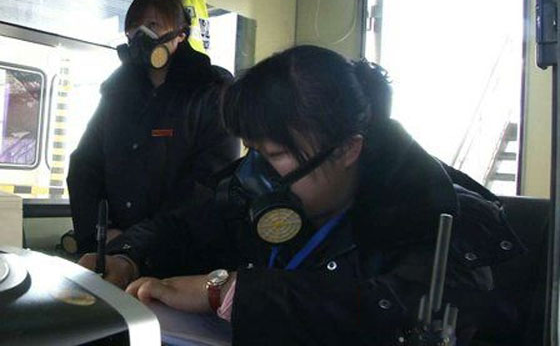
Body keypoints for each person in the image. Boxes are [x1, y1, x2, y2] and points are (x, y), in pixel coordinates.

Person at [81, 46, 523, 345]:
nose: (261, 173)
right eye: (256, 151)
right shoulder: (259, 178)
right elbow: (187, 226)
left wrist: (231, 292)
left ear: (349, 148)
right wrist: (128, 255)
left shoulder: (434, 215)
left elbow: (414, 312)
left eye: (276, 155)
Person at [67, 0, 239, 255]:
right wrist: (102, 232)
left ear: (181, 33)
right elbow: (84, 166)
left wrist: (138, 242)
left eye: (153, 25)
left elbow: (207, 184)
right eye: (134, 28)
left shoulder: (211, 91)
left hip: (177, 253)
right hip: (112, 246)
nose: (140, 35)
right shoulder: (116, 93)